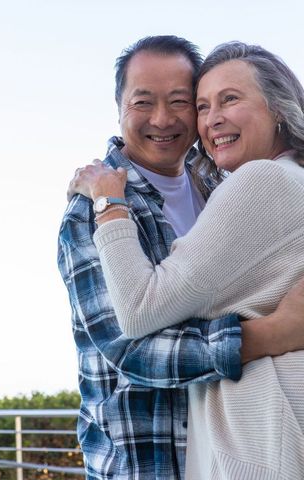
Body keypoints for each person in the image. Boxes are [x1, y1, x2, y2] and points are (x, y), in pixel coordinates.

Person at [58, 36, 304, 480]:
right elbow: (126, 344)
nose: (162, 118)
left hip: (235, 447)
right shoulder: (92, 208)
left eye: (181, 101)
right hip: (143, 459)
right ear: (119, 107)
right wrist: (270, 334)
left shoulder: (221, 190)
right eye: (143, 101)